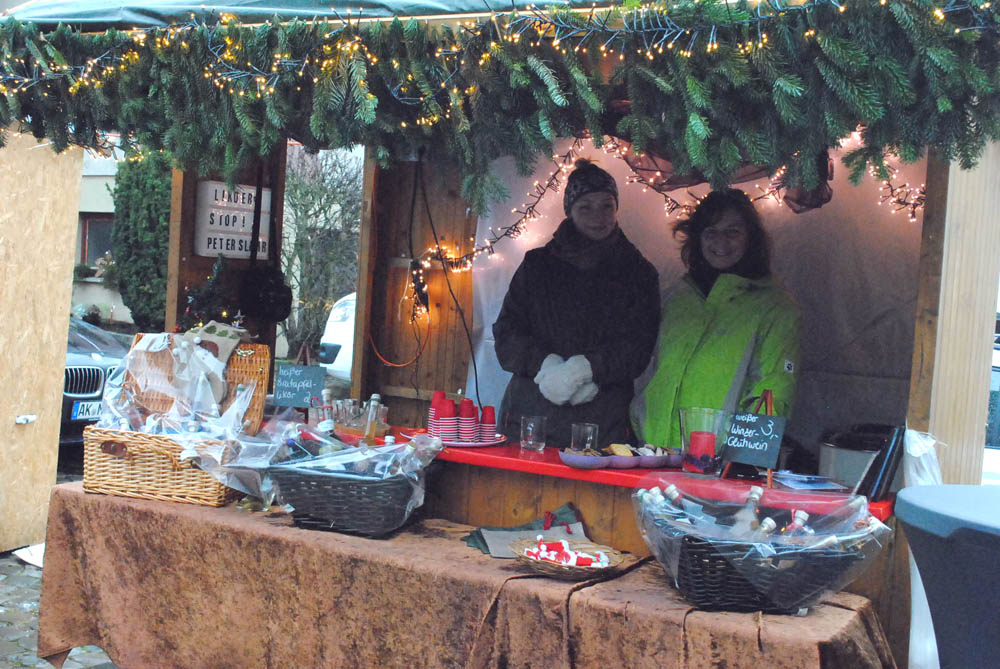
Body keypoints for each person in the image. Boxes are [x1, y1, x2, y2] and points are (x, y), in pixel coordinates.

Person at [493, 159, 660, 449]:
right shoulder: (537, 266)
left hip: (602, 419)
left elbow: (638, 345)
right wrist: (546, 367)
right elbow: (507, 332)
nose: (599, 216)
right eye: (586, 207)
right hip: (530, 417)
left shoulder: (638, 272)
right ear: (570, 211)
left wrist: (586, 370)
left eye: (606, 205)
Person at [632, 188, 801, 449]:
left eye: (732, 232)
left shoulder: (774, 308)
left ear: (751, 238)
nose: (720, 242)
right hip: (652, 453)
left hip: (716, 467)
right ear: (697, 238)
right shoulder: (679, 298)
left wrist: (743, 464)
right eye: (710, 232)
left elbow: (772, 393)